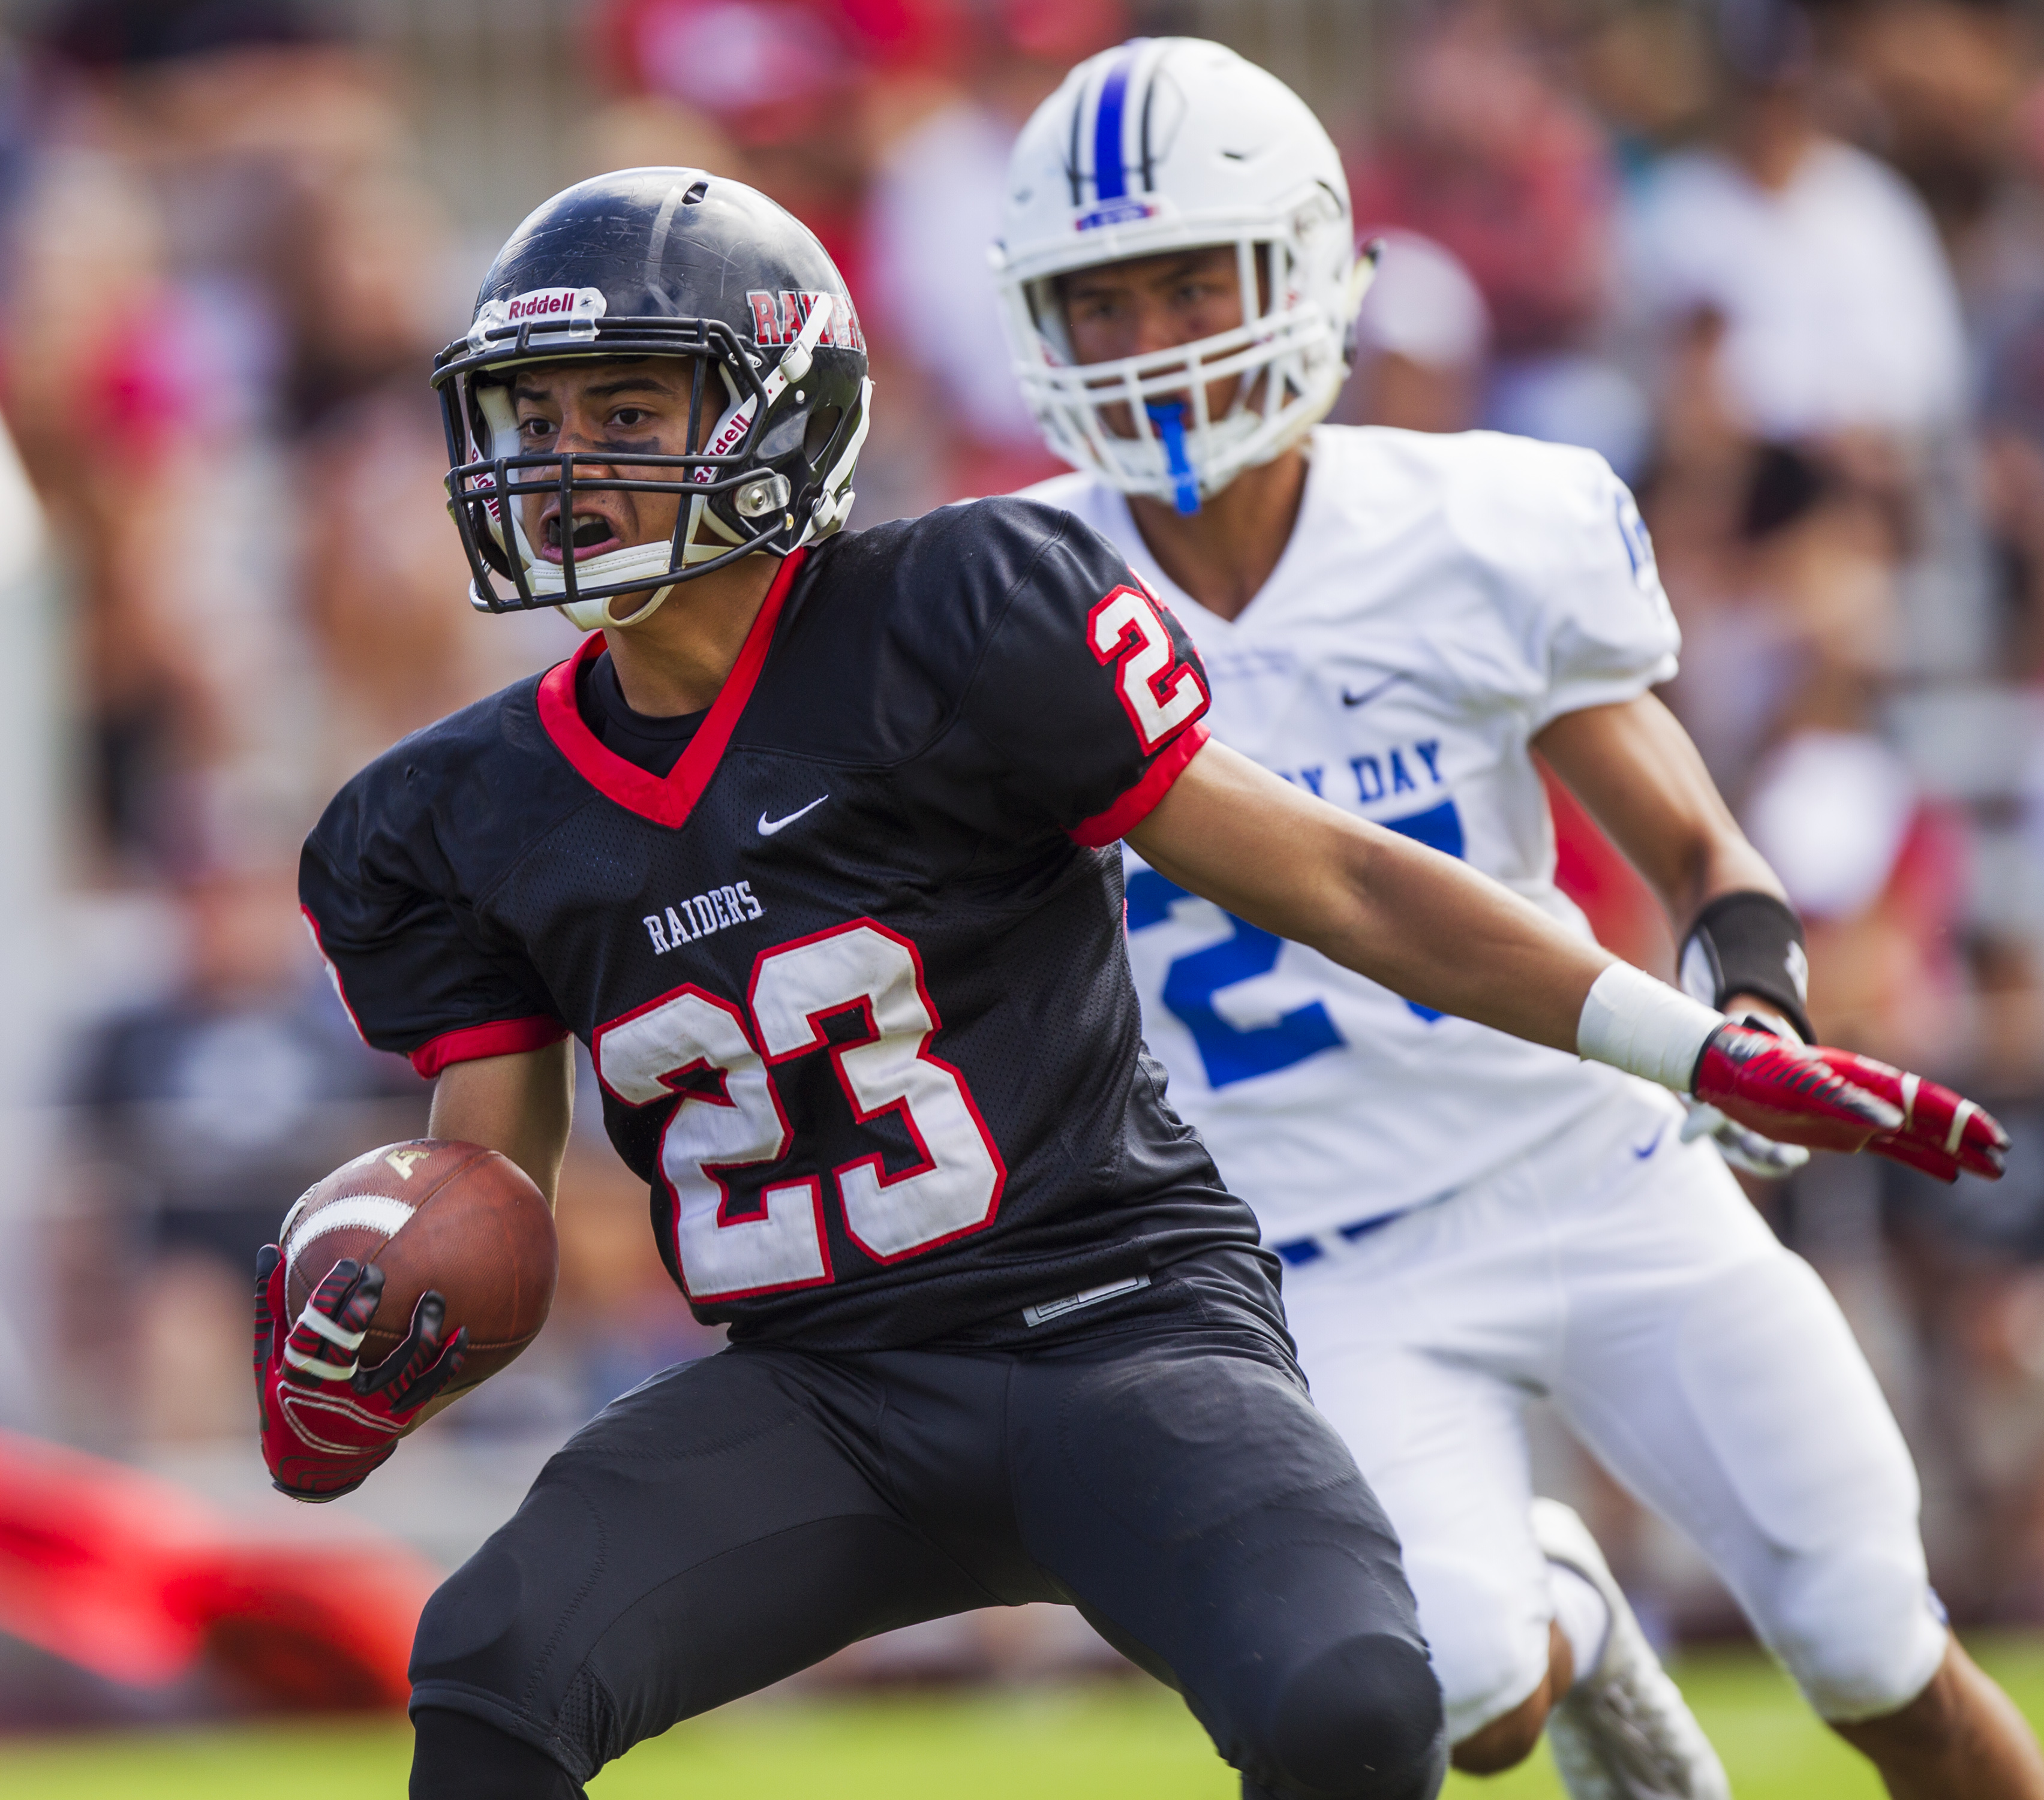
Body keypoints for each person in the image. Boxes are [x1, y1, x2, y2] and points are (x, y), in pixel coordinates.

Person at [254, 167, 1998, 1800]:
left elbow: (1342, 873)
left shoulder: (959, 611)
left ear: (775, 414)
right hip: (817, 1384)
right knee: (491, 1662)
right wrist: (378, 1339)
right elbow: (490, 1177)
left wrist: (1688, 1038)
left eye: (627, 412)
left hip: (1127, 1329)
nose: (566, 463)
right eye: (537, 417)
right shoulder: (446, 815)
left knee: (1356, 1697)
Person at [993, 36, 2044, 1800]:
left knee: (1878, 1648)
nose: (1156, 337)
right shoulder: (1003, 593)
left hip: (1596, 1175)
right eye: (1104, 299)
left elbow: (1697, 842)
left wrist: (1755, 1011)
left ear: (1312, 271)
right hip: (1314, 1251)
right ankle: (1569, 1608)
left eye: (1195, 279)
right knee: (1453, 1689)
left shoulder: (1478, 523)